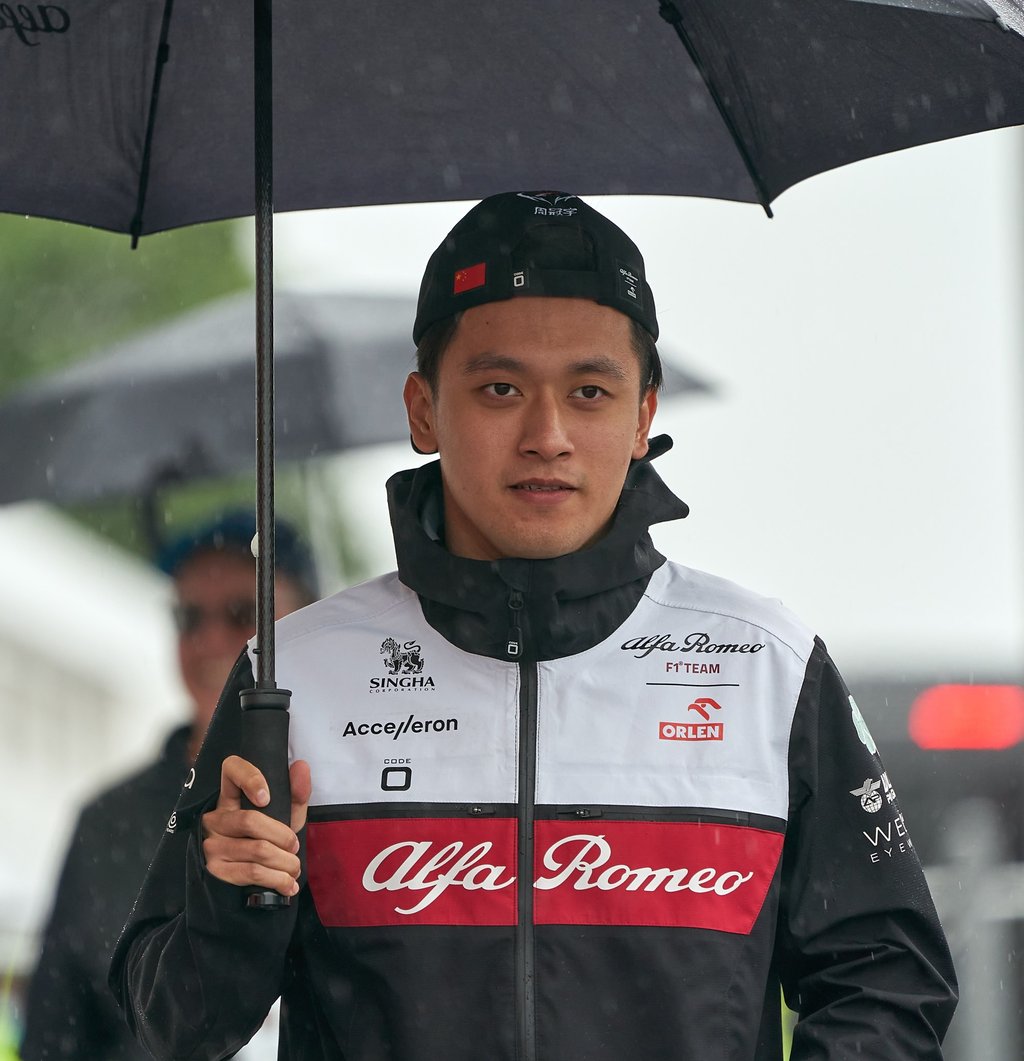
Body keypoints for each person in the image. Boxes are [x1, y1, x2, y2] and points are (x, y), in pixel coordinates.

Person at [110, 192, 957, 1060]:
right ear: (423, 410)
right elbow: (172, 1024)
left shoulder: (765, 666)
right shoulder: (296, 674)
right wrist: (232, 909)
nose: (547, 435)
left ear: (642, 416)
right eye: (501, 387)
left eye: (590, 390)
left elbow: (887, 983)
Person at [21, 512, 317, 1061]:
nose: (209, 641)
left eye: (241, 613)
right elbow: (55, 1025)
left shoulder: (367, 792)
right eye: (187, 617)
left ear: (309, 620)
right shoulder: (109, 819)